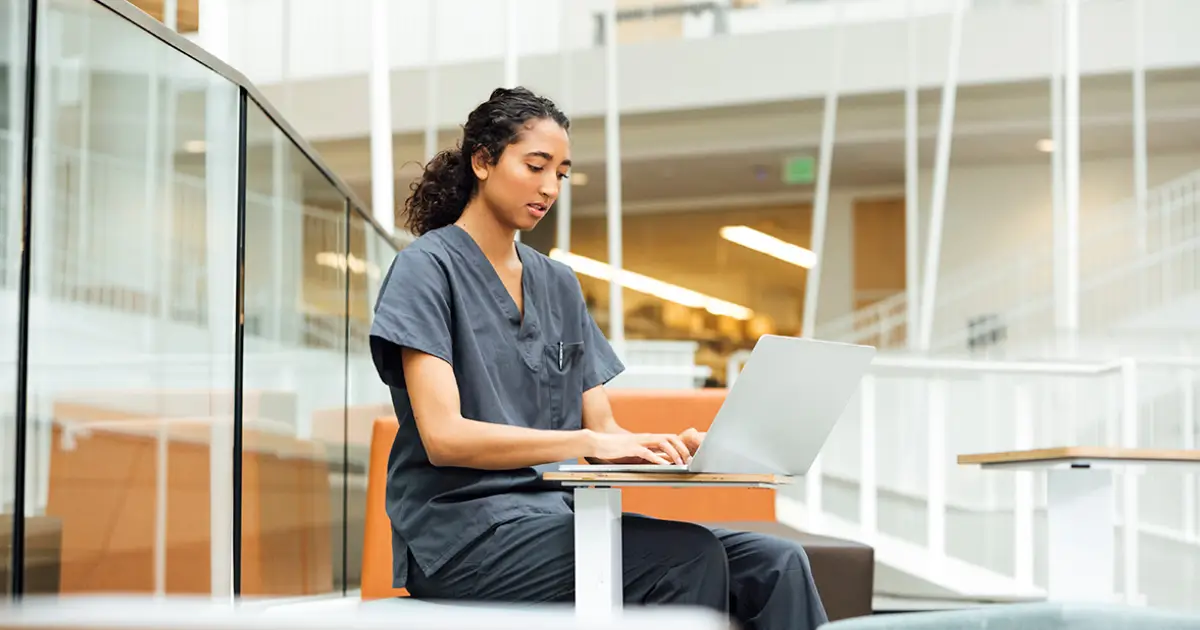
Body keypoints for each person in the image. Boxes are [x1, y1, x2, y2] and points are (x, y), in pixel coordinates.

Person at [368, 86, 828, 630]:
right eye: (535, 166)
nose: (548, 187)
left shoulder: (558, 284)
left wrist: (669, 450)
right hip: (463, 537)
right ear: (483, 161)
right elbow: (445, 438)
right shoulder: (426, 269)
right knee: (686, 556)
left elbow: (603, 425)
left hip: (559, 520)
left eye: (560, 174)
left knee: (777, 563)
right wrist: (589, 443)